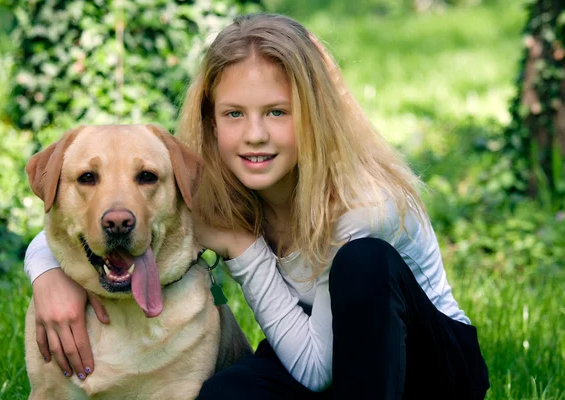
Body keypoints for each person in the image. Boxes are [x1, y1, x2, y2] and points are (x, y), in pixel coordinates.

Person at [24, 13, 490, 399]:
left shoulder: (363, 203)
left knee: (363, 264)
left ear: (314, 114)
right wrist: (47, 275)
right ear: (210, 120)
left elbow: (315, 370)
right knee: (224, 396)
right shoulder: (209, 181)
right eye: (233, 114)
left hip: (427, 367)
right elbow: (107, 217)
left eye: (277, 112)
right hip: (316, 348)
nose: (254, 135)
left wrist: (242, 245)